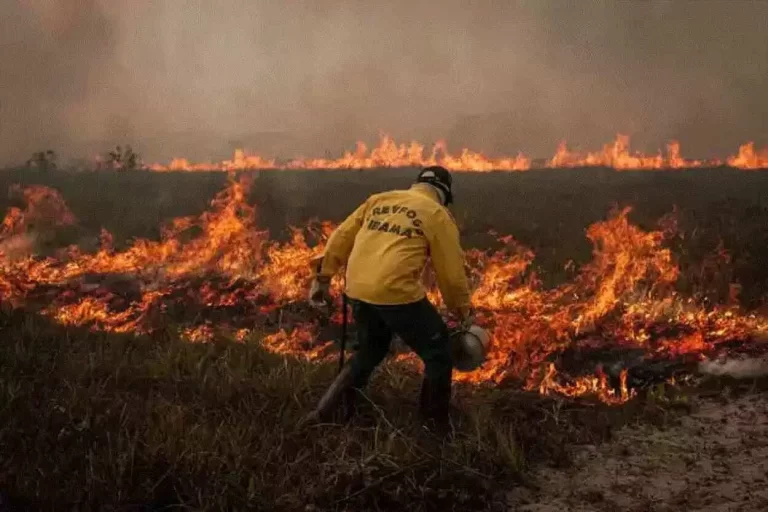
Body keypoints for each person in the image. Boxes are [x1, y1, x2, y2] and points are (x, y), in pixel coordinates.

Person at [302, 166, 473, 431]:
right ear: (444, 194)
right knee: (438, 353)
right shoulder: (437, 214)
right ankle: (433, 430)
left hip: (357, 288)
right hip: (396, 293)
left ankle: (326, 412)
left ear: (417, 184)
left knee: (370, 349)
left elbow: (341, 237)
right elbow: (451, 274)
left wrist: (322, 277)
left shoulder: (379, 200)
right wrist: (462, 311)